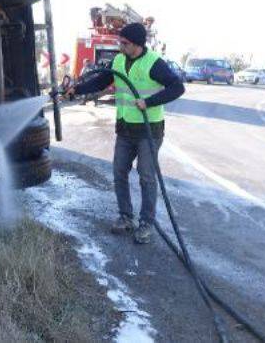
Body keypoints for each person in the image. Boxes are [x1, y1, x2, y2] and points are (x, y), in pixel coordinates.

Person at [65, 23, 185, 244]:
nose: (120, 46)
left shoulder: (154, 63)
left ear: (137, 45)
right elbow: (101, 80)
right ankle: (125, 217)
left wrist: (149, 102)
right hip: (125, 128)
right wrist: (77, 89)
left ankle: (146, 223)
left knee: (147, 177)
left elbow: (178, 87)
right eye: (121, 42)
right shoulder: (119, 61)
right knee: (119, 171)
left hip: (149, 131)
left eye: (125, 43)